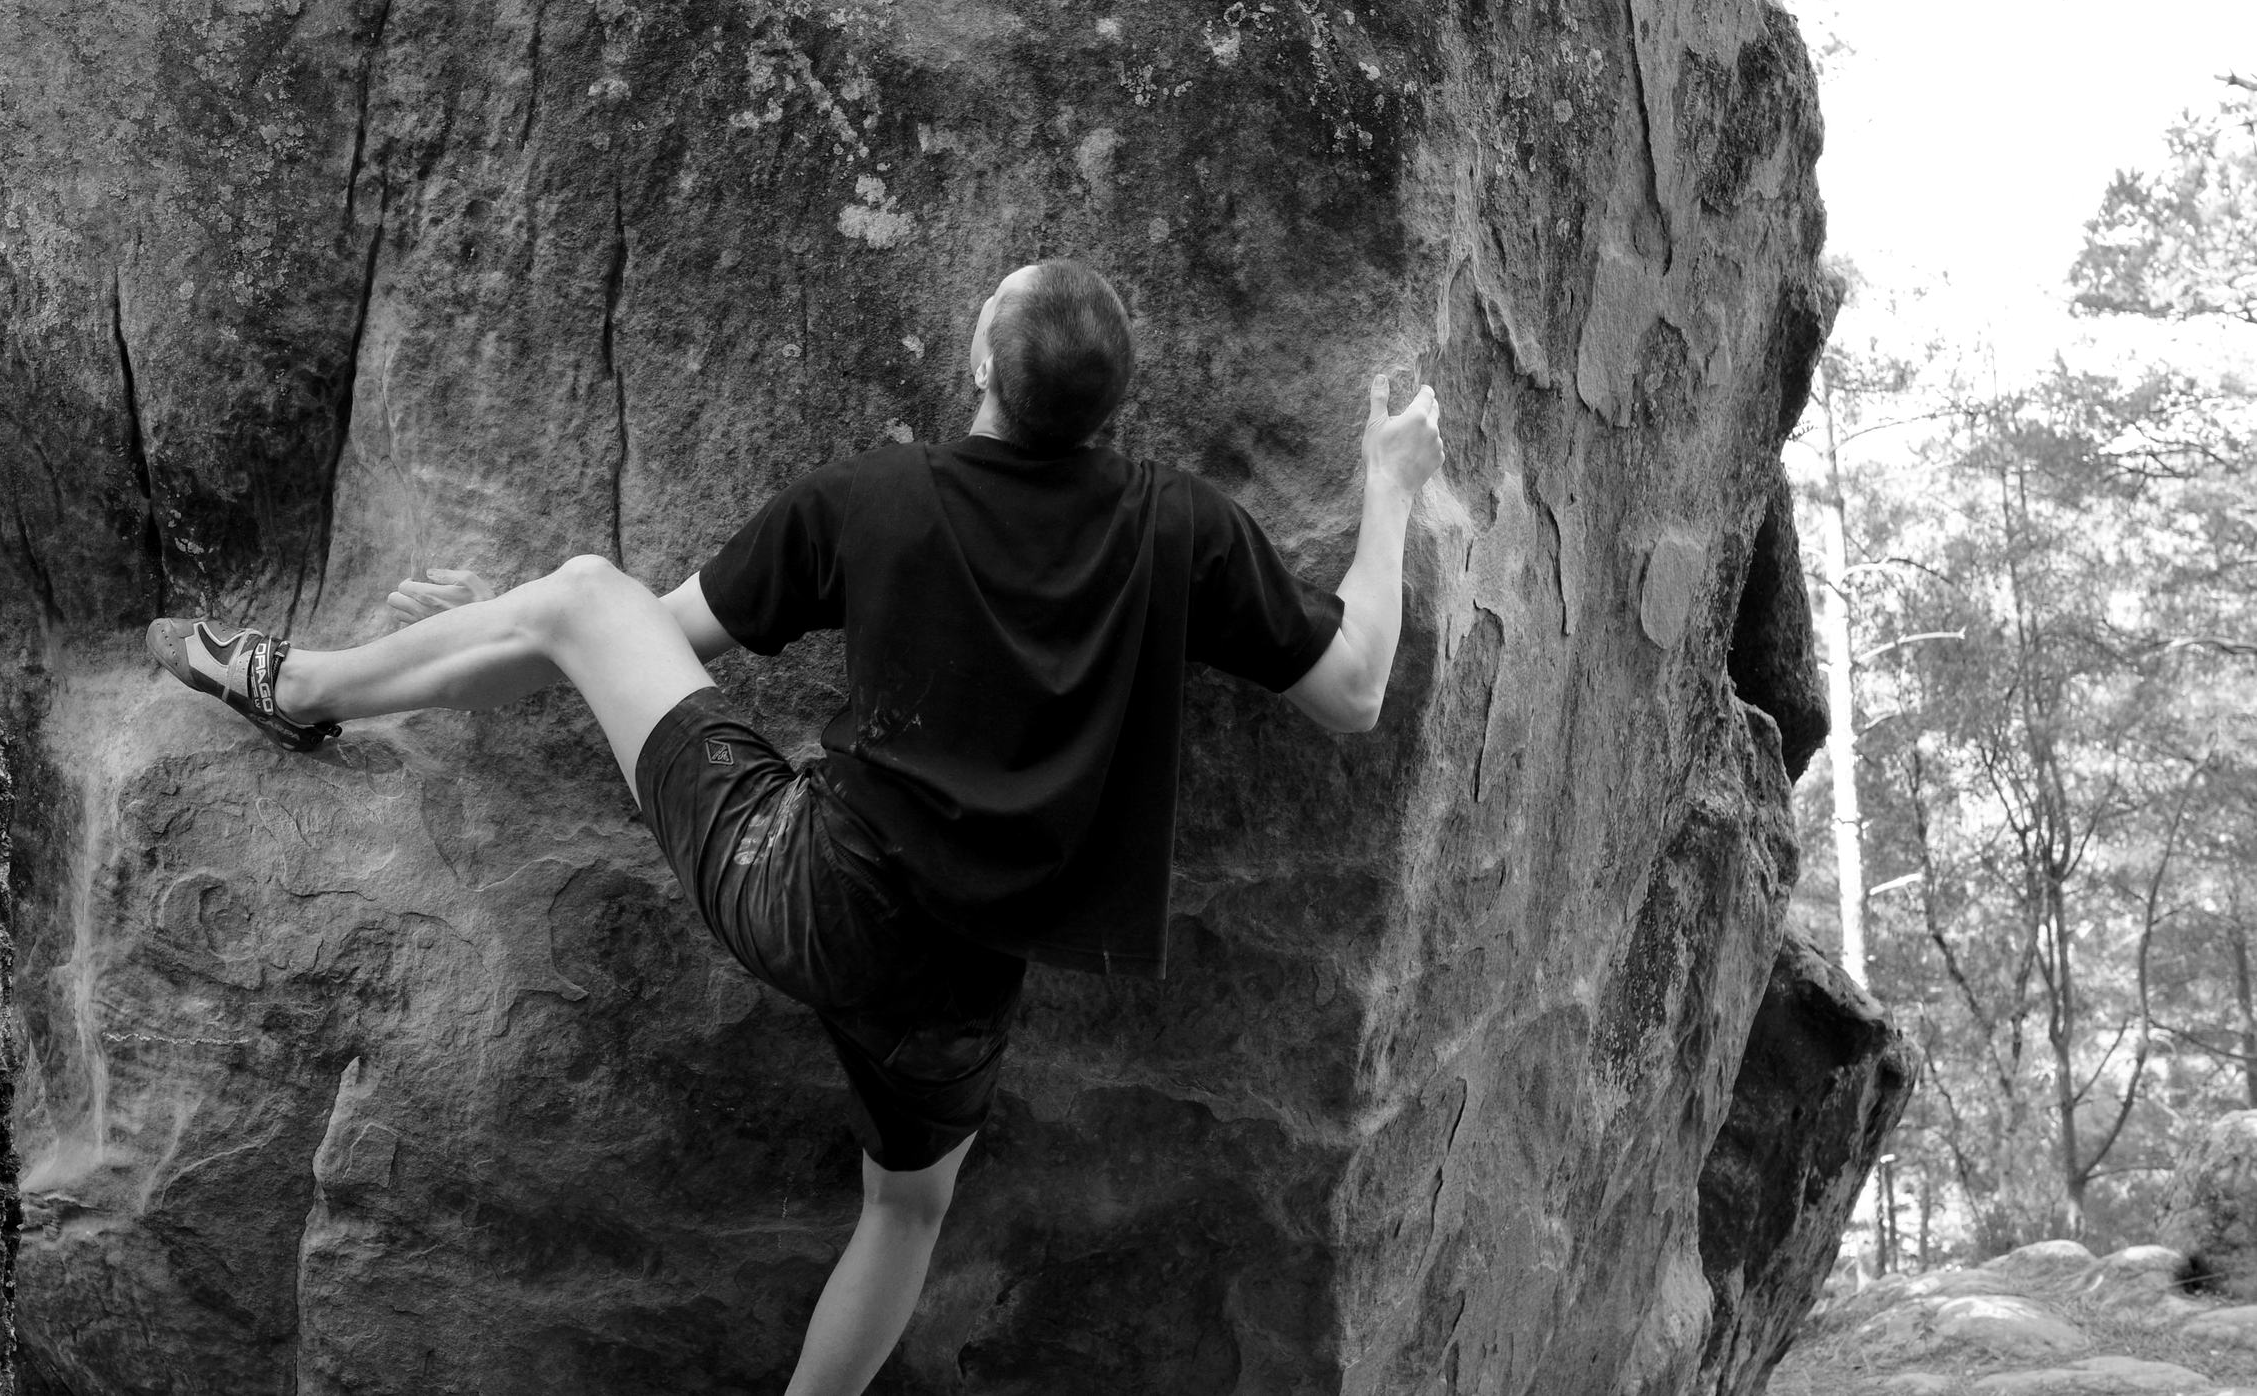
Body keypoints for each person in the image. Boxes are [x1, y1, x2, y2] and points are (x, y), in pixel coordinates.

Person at [147, 258, 1443, 1396]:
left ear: (979, 363)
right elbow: (1354, 690)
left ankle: (296, 684)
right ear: (1116, 403)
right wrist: (1386, 488)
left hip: (807, 891)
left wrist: (512, 613)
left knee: (584, 595)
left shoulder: (873, 498)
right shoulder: (1181, 528)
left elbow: (650, 631)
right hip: (960, 982)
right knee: (905, 1212)